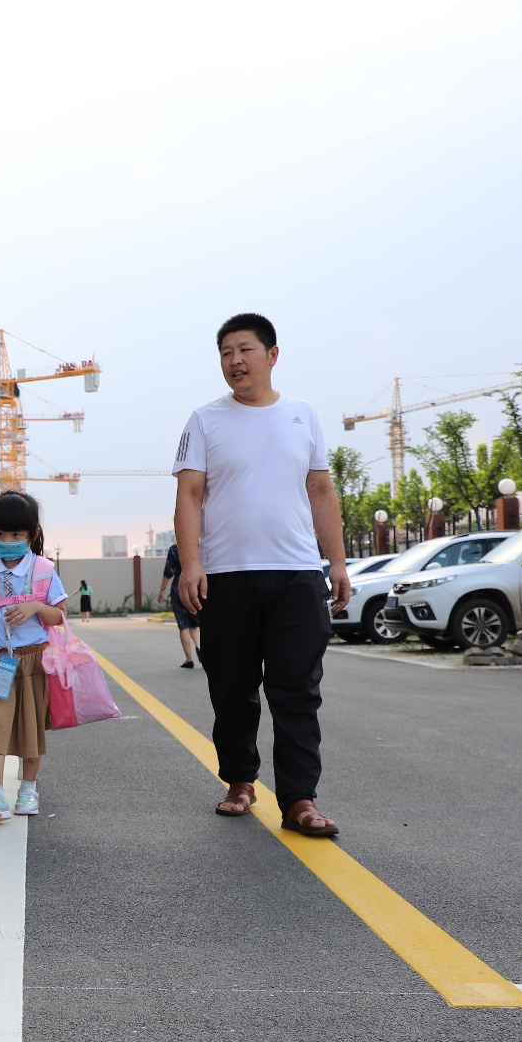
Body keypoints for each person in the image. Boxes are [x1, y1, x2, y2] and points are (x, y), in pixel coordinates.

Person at [171, 313, 351, 838]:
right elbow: (189, 494)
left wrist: (335, 561)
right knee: (232, 687)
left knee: (297, 688)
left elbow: (321, 491)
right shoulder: (205, 420)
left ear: (272, 355)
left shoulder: (303, 416)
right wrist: (191, 563)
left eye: (244, 350)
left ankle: (299, 799)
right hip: (225, 576)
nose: (234, 361)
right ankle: (240, 780)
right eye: (225, 352)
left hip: (296, 574)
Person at [0, 491, 69, 822]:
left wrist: (36, 606)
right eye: (0, 534)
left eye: (16, 535)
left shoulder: (44, 569)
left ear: (32, 535)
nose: (7, 541)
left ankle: (28, 788)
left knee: (31, 726)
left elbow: (59, 615)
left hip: (33, 659)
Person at [161, 542, 199, 668]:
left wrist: (162, 590)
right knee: (194, 623)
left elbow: (169, 571)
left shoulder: (175, 549)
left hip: (180, 587)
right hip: (195, 586)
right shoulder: (198, 547)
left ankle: (189, 659)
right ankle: (200, 648)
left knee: (183, 625)